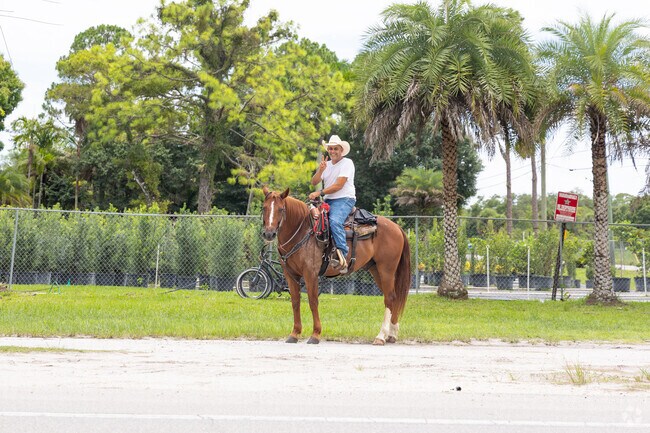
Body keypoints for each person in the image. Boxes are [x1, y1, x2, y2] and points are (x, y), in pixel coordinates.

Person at [308, 135, 356, 274]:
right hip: (329, 200)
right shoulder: (326, 165)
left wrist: (319, 193)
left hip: (344, 199)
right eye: (330, 148)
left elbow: (339, 185)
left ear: (341, 150)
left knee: (334, 221)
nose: (333, 151)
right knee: (312, 220)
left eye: (335, 148)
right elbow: (314, 182)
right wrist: (321, 170)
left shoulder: (347, 163)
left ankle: (343, 255)